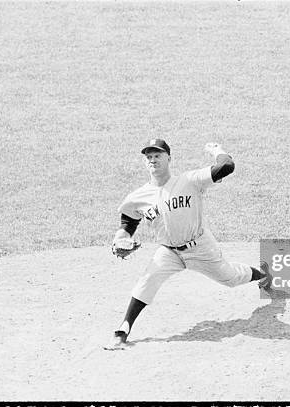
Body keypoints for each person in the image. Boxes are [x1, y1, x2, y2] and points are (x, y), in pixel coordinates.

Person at [105, 139, 271, 350]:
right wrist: (120, 239)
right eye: (149, 156)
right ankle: (122, 330)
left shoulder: (190, 181)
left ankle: (263, 276)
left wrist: (216, 150)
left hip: (200, 247)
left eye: (157, 155)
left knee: (231, 277)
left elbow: (227, 166)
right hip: (168, 252)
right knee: (147, 281)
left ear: (169, 158)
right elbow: (128, 223)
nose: (153, 160)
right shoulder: (138, 197)